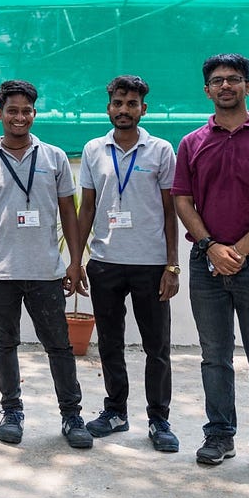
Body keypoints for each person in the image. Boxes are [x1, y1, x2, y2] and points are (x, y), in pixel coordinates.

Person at [172, 53, 249, 480]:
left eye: (235, 79)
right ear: (206, 90)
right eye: (218, 81)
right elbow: (182, 200)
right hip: (205, 264)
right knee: (214, 356)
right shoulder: (192, 142)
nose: (226, 86)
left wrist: (239, 250)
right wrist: (210, 247)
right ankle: (219, 435)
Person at [0, 80, 93, 449]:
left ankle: (71, 415)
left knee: (59, 346)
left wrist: (74, 261)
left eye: (26, 111)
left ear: (34, 113)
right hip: (1, 273)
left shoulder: (53, 157)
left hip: (46, 272)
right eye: (12, 111)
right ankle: (12, 411)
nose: (19, 118)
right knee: (5, 344)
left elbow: (69, 212)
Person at [77, 75, 180, 452]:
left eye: (131, 103)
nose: (124, 110)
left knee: (157, 347)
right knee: (110, 343)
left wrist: (172, 265)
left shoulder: (161, 150)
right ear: (108, 107)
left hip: (151, 265)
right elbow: (86, 207)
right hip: (105, 262)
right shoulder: (93, 149)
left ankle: (159, 419)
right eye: (118, 103)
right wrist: (77, 260)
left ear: (143, 109)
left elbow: (171, 212)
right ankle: (116, 411)